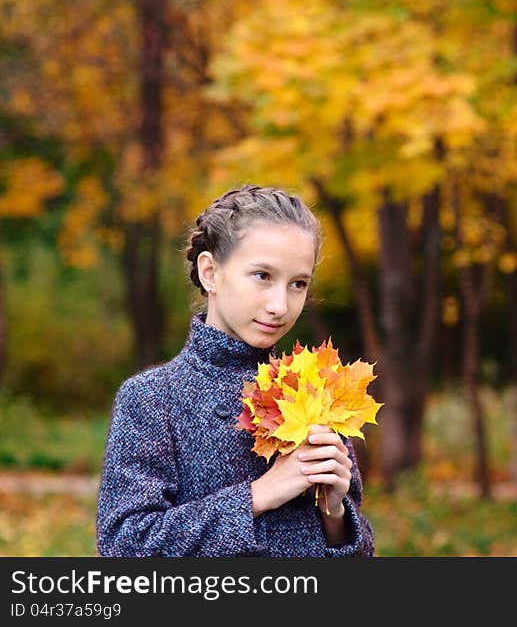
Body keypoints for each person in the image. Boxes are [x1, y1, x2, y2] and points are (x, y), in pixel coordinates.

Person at [96, 184, 374, 557]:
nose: (280, 305)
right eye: (262, 276)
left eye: (298, 284)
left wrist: (335, 512)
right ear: (210, 272)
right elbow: (124, 546)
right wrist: (260, 495)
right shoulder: (153, 398)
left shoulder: (315, 390)